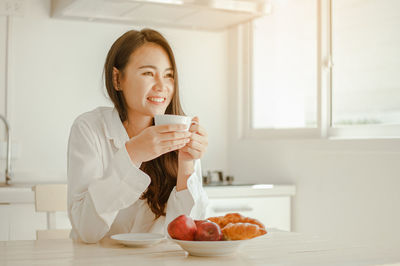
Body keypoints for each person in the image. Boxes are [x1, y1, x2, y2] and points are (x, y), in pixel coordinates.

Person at [67, 28, 209, 243]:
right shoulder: (89, 128)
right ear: (117, 79)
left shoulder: (181, 130)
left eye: (169, 75)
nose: (162, 86)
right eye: (148, 73)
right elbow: (87, 231)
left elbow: (187, 234)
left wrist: (187, 164)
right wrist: (132, 154)